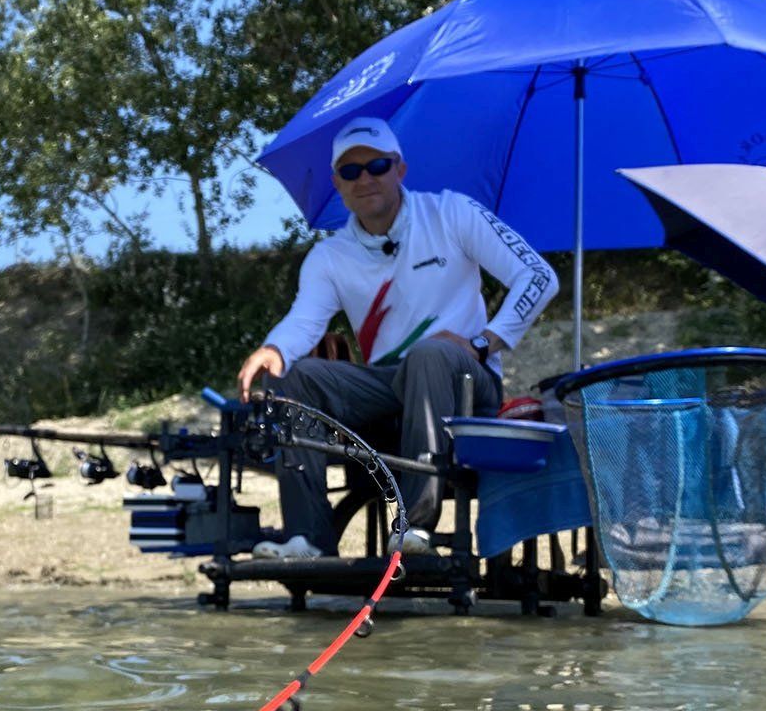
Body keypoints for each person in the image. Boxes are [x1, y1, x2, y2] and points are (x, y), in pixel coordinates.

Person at [235, 117, 558, 558]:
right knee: (295, 376)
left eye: (377, 165)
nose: (365, 178)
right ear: (338, 183)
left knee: (429, 355)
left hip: (465, 383)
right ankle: (307, 540)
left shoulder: (452, 212)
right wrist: (273, 349)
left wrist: (484, 342)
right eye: (351, 172)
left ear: (400, 169)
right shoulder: (328, 256)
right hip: (389, 386)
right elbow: (304, 322)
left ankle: (414, 528)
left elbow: (538, 276)